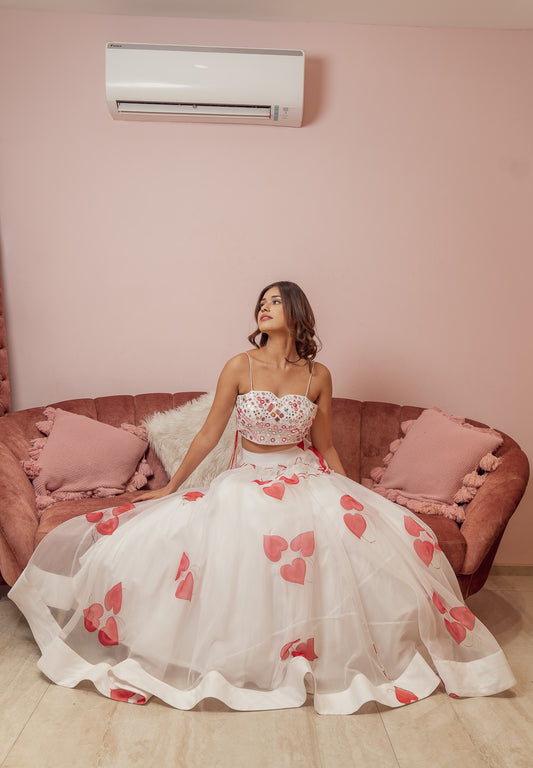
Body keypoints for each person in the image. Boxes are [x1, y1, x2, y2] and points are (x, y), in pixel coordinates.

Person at [8, 281, 514, 714]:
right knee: (236, 527)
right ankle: (238, 654)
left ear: (296, 313)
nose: (264, 308)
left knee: (342, 538)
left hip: (305, 475)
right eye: (262, 302)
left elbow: (326, 446)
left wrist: (353, 494)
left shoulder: (318, 375)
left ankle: (313, 652)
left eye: (275, 301)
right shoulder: (239, 366)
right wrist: (171, 486)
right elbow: (209, 434)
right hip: (248, 477)